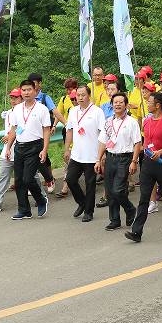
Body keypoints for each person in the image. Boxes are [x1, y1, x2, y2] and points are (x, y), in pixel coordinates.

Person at [125, 91, 162, 242]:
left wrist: (160, 152)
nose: (147, 104)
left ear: (157, 105)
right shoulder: (146, 121)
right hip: (148, 163)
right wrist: (134, 159)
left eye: (150, 102)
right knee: (144, 197)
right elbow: (144, 143)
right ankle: (136, 232)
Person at [4, 79, 53, 220]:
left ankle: (41, 199)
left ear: (35, 91)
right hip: (20, 146)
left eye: (29, 90)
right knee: (19, 181)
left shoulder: (41, 109)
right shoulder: (17, 109)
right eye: (23, 90)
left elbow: (46, 130)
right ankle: (24, 210)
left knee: (27, 178)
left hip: (35, 147)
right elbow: (14, 129)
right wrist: (8, 148)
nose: (26, 92)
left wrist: (44, 149)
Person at [95, 92, 141, 231]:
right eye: (115, 102)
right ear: (111, 105)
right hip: (110, 158)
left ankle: (130, 209)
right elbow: (103, 142)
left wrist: (134, 161)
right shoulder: (108, 122)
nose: (118, 104)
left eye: (121, 102)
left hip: (125, 158)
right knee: (109, 191)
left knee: (118, 190)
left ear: (126, 105)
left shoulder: (131, 122)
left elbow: (137, 143)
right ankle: (114, 220)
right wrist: (98, 159)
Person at [63, 83, 106, 222]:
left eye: (83, 95)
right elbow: (69, 130)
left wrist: (101, 154)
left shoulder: (97, 112)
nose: (80, 98)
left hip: (92, 155)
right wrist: (67, 149)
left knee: (90, 184)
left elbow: (103, 134)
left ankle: (89, 211)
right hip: (77, 154)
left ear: (89, 96)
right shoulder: (73, 111)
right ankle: (82, 202)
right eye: (78, 95)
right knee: (70, 179)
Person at [0, 88, 25, 212]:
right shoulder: (8, 113)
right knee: (3, 176)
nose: (13, 100)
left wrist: (10, 136)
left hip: (22, 149)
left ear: (22, 98)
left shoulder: (25, 112)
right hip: (7, 150)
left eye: (16, 98)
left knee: (30, 177)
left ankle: (42, 198)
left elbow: (24, 127)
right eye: (11, 98)